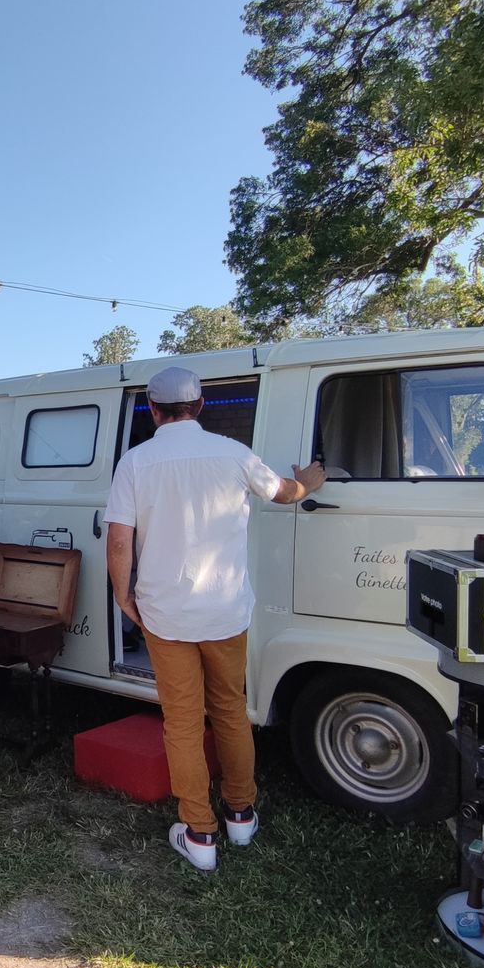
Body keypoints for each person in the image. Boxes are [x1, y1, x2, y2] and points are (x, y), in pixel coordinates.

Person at [104, 367, 325, 873]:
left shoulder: (135, 462)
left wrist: (122, 594)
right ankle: (241, 815)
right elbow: (284, 492)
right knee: (229, 710)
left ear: (153, 411)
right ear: (200, 406)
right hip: (226, 611)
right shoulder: (233, 453)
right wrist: (310, 481)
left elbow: (118, 539)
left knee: (182, 721)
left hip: (164, 613)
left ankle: (199, 833)